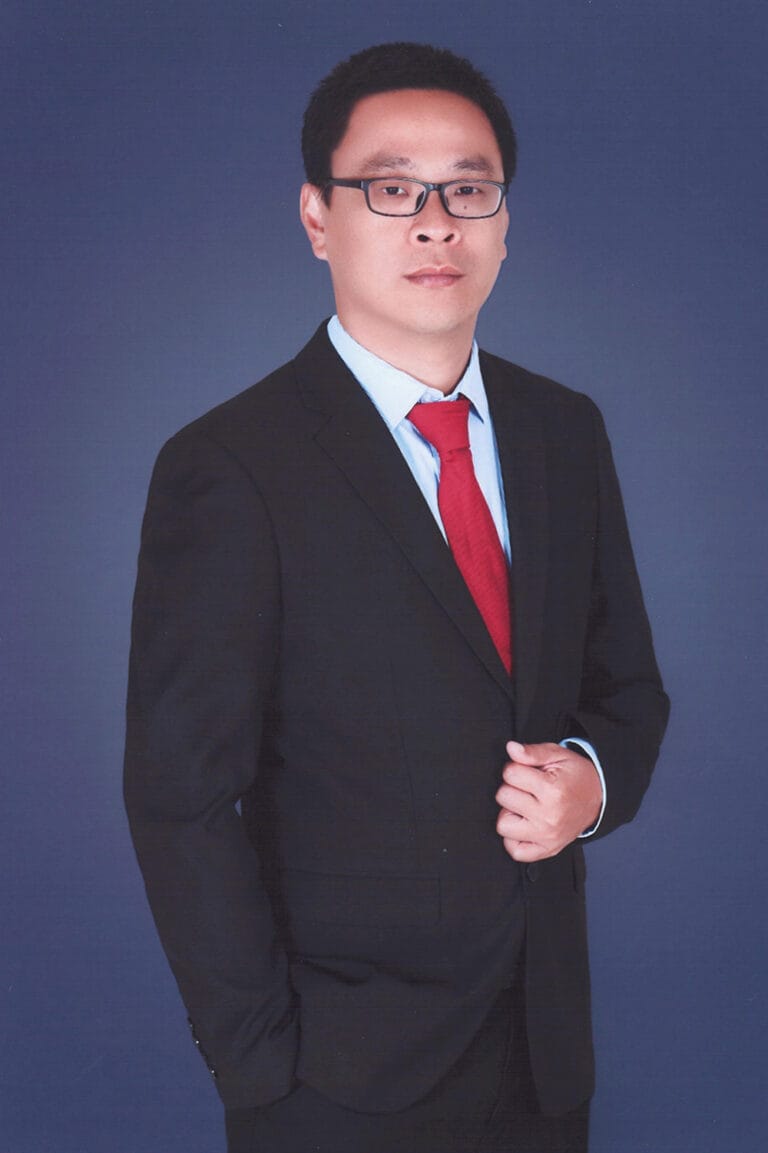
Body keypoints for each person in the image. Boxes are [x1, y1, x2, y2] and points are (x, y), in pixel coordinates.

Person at [124, 42, 669, 1153]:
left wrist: (593, 784)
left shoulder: (565, 431)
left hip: (545, 1055)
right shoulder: (231, 465)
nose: (435, 225)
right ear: (318, 219)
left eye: (468, 191)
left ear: (504, 223)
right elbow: (181, 798)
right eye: (390, 189)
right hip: (335, 1077)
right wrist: (260, 1065)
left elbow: (628, 688)